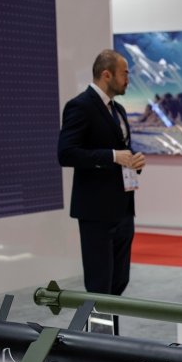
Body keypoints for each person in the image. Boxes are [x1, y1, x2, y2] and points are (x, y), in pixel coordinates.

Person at [58, 50, 145, 334]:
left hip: (122, 210)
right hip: (96, 213)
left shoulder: (117, 109)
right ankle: (97, 349)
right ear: (106, 74)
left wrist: (134, 162)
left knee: (118, 285)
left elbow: (121, 154)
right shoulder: (80, 106)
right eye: (125, 73)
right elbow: (66, 153)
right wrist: (112, 156)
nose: (128, 79)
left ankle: (111, 344)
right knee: (99, 287)